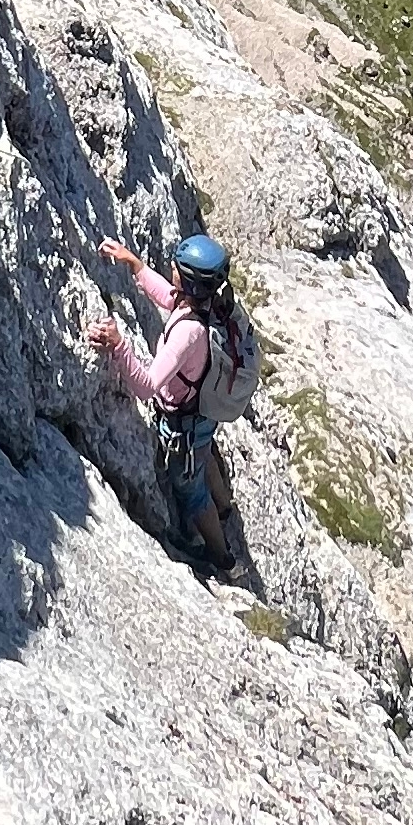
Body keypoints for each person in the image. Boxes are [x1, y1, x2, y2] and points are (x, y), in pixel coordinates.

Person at [89, 229, 240, 570]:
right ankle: (225, 506)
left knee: (190, 488)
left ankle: (223, 558)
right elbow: (168, 297)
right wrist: (136, 265)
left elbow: (146, 386)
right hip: (203, 408)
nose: (171, 269)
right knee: (205, 450)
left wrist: (118, 344)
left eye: (176, 267)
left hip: (184, 423)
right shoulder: (208, 305)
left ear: (187, 280)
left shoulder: (188, 333)